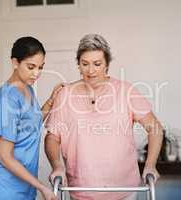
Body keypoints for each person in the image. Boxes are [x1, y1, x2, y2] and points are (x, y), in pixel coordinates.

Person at [44, 34, 163, 200]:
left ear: (107, 64)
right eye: (84, 64)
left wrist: (150, 165)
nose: (91, 70)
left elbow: (155, 128)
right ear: (78, 64)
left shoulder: (126, 91)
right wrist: (57, 166)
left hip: (124, 190)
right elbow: (52, 138)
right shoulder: (65, 94)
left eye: (97, 64)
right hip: (81, 191)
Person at [0, 36, 61, 200]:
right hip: (3, 187)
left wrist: (51, 100)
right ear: (15, 62)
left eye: (40, 67)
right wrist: (41, 187)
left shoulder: (27, 89)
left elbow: (31, 123)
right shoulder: (6, 100)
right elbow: (5, 157)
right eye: (31, 67)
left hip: (23, 184)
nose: (36, 73)